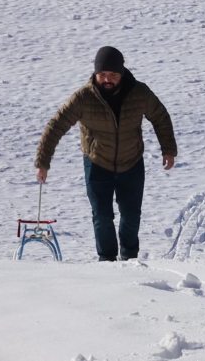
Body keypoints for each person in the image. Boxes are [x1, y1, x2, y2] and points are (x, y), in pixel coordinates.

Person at [35, 46, 177, 261]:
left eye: (113, 75)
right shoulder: (83, 97)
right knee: (102, 216)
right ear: (95, 73)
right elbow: (56, 125)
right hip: (97, 163)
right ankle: (107, 261)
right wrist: (43, 162)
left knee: (131, 215)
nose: (107, 79)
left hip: (131, 162)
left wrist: (168, 149)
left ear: (122, 73)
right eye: (103, 75)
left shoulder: (139, 93)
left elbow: (160, 117)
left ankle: (129, 257)